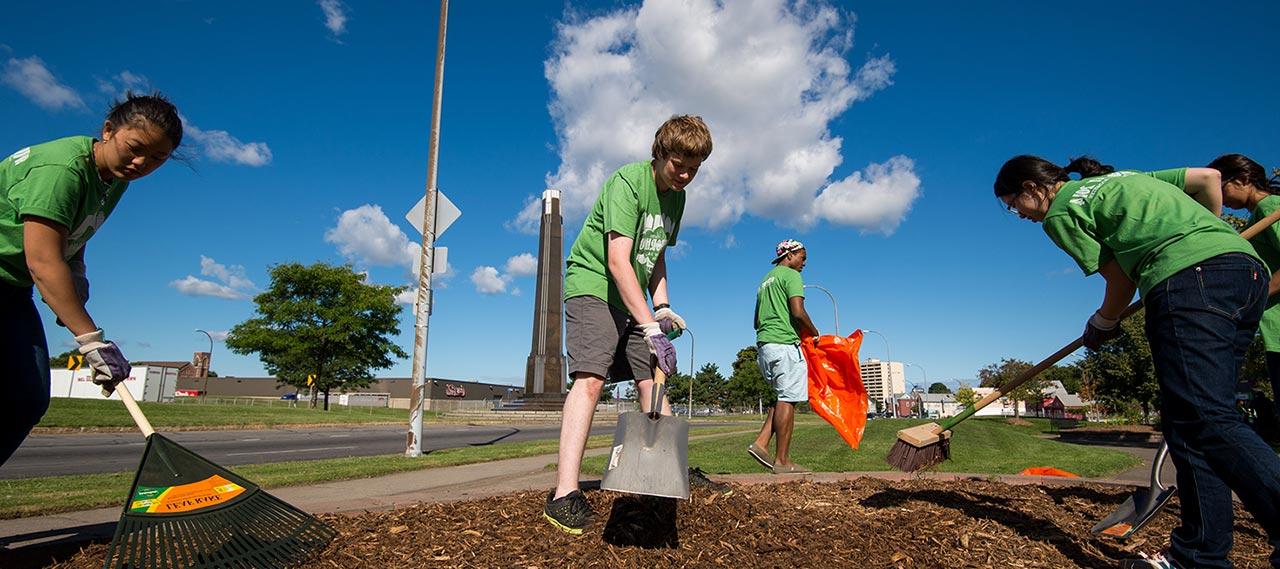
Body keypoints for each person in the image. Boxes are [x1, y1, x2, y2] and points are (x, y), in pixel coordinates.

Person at [994, 155, 1280, 568]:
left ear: (1031, 187)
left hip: (1188, 282)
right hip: (1244, 273)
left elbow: (1120, 281)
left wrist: (1102, 321)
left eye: (1012, 204)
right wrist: (1208, 233)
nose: (1018, 215)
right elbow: (1208, 179)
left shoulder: (1061, 210)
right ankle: (1198, 556)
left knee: (1208, 418)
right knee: (1188, 426)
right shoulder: (1122, 178)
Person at [543, 115, 712, 535]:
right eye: (678, 164)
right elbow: (618, 261)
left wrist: (663, 307)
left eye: (694, 167)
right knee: (591, 379)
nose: (686, 174)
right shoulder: (628, 183)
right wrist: (650, 327)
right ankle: (563, 494)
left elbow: (654, 256)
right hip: (595, 284)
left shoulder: (676, 197)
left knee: (652, 381)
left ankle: (672, 473)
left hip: (634, 296)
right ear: (659, 154)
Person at [0, 92, 183, 467]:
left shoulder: (114, 180)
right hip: (12, 277)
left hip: (12, 289)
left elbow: (74, 235)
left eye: (157, 159)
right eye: (135, 148)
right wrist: (91, 342)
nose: (140, 163)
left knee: (25, 398)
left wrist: (78, 271)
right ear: (108, 130)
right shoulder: (62, 169)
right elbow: (43, 261)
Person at [1210, 153, 1280, 442]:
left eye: (1221, 187)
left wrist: (1252, 299)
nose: (1220, 198)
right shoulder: (1256, 216)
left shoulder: (1271, 208)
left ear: (1242, 180)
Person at [746, 239, 819, 475]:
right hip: (784, 344)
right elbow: (798, 312)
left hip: (765, 345)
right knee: (788, 399)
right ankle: (783, 461)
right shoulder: (791, 276)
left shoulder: (765, 281)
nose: (804, 263)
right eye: (802, 257)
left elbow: (756, 320)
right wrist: (814, 332)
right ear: (789, 255)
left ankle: (761, 443)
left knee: (782, 397)